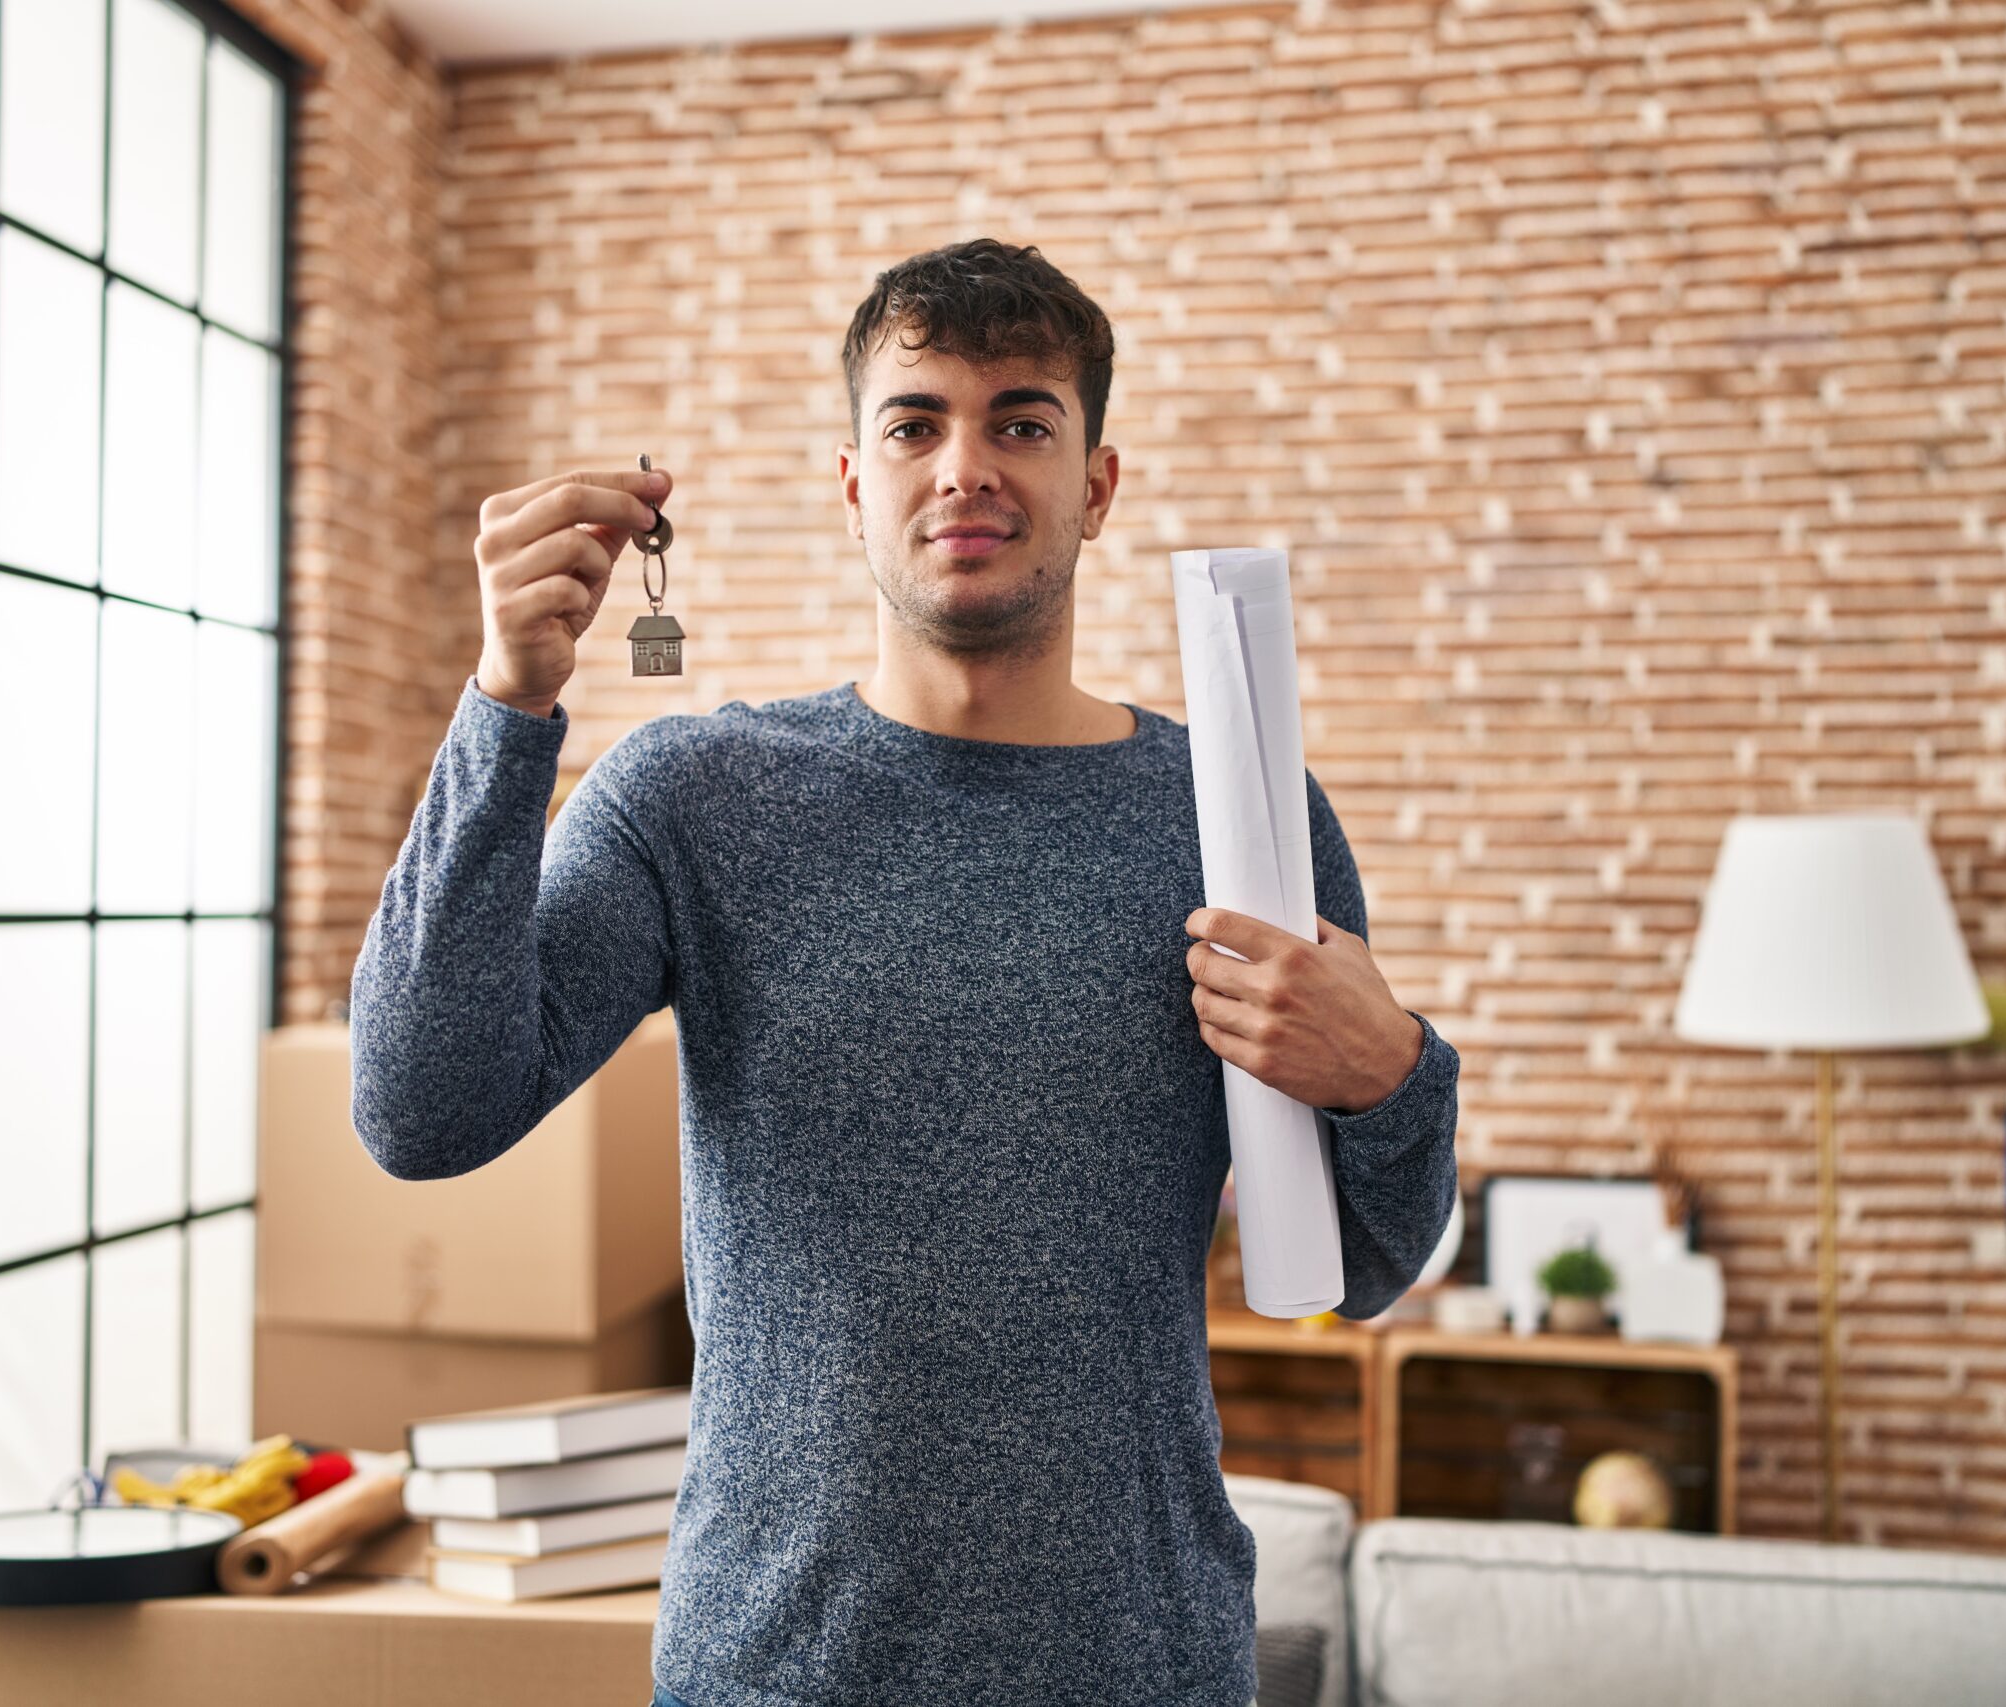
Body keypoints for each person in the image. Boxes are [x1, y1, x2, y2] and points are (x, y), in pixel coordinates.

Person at [349, 238, 1459, 1707]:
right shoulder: (696, 795)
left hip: (1138, 1665)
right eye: (915, 421)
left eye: (1022, 421)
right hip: (777, 1670)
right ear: (855, 482)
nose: (967, 466)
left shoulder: (1241, 818)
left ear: (1098, 485)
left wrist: (1393, 1073)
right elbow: (422, 1111)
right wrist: (506, 707)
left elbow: (1365, 1269)